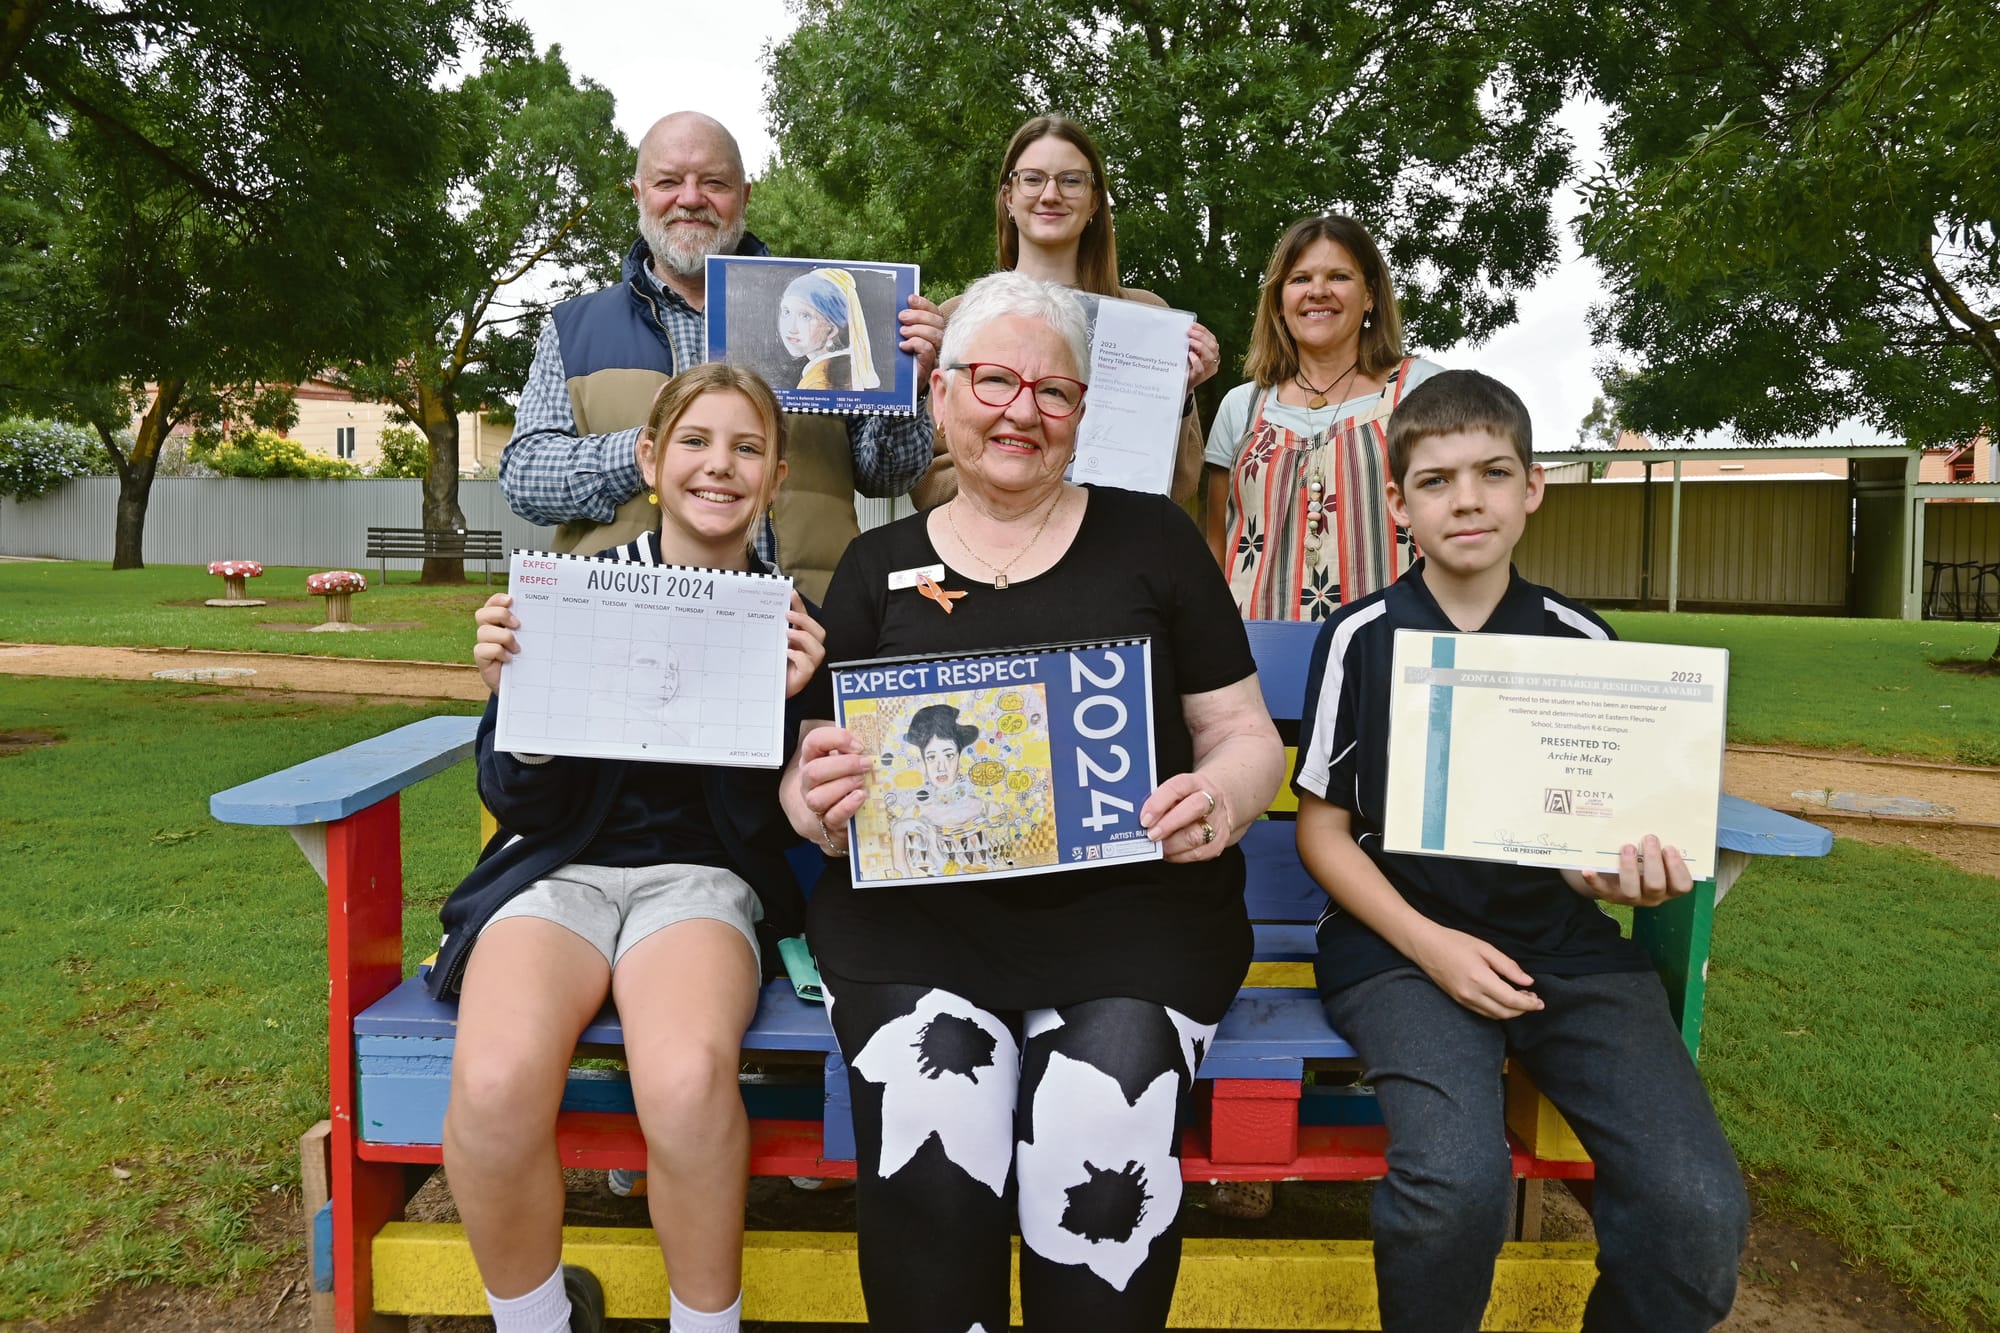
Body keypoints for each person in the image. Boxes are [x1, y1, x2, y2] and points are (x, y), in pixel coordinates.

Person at [782, 270, 1285, 1331]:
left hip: (1129, 923)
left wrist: (1222, 800)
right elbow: (810, 772)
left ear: (1081, 414)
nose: (1021, 410)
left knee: (1091, 1135)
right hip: (917, 927)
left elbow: (1242, 736)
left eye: (1052, 392)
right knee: (933, 1121)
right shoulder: (877, 567)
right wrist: (816, 803)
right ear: (940, 396)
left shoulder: (1151, 540)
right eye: (993, 380)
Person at [1291, 369, 1749, 1332]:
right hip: (1400, 952)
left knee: (1695, 1205)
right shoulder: (1362, 637)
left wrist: (1628, 877)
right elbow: (1323, 830)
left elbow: (1593, 843)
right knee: (1453, 1189)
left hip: (1563, 948)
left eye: (1493, 472)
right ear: (1399, 502)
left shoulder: (1583, 640)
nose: (1467, 498)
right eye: (1436, 478)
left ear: (1532, 486)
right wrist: (1431, 944)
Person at [438, 364, 828, 1333]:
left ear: (775, 476)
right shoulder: (578, 593)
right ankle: (533, 1318)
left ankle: (706, 1324)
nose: (719, 466)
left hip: (699, 886)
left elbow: (783, 822)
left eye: (747, 447)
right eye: (695, 441)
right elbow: (511, 790)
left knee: (687, 1077)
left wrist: (798, 713)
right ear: (651, 459)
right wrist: (518, 704)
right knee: (490, 1079)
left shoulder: (785, 624)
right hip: (559, 872)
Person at [500, 110, 945, 601]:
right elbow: (524, 479)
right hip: (624, 619)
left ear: (745, 196)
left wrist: (911, 385)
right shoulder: (574, 329)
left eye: (714, 182)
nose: (691, 199)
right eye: (669, 181)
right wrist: (648, 450)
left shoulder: (818, 310)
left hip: (802, 620)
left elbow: (889, 477)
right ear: (638, 193)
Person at [910, 114, 1222, 509]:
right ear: (1008, 196)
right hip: (990, 557)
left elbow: (1179, 487)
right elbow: (927, 484)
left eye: (1071, 180)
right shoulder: (956, 318)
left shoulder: (1148, 318)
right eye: (1033, 178)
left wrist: (1181, 395)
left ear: (1094, 201)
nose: (1051, 194)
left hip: (1111, 551)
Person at [1205, 214, 1444, 620]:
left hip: (1388, 645)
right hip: (1255, 649)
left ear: (1369, 295)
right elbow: (1215, 542)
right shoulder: (1240, 406)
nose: (1318, 291)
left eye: (1338, 277)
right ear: (1279, 301)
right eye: (1299, 279)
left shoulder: (1419, 390)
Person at [778, 267, 881, 391]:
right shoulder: (843, 366)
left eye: (805, 316)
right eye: (786, 312)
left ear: (831, 329)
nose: (791, 328)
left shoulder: (820, 382)